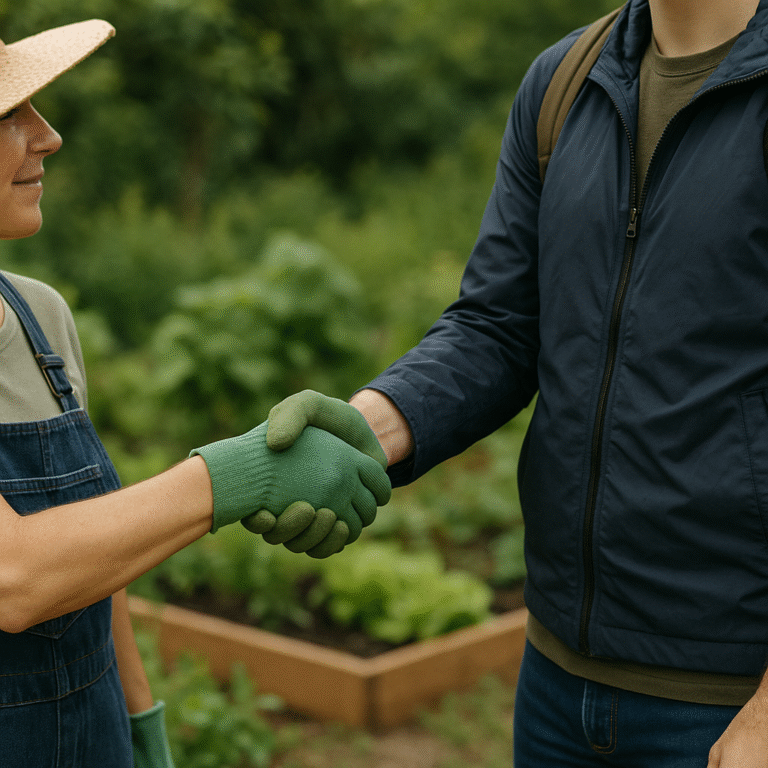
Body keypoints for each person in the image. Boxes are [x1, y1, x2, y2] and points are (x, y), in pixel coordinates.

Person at [266, 0, 768, 765]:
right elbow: (498, 326)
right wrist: (368, 427)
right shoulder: (567, 81)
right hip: (554, 685)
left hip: (728, 700)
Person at [0, 19, 391, 768]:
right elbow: (15, 577)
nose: (48, 137)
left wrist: (142, 723)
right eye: (11, 116)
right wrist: (242, 473)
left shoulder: (40, 319)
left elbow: (90, 554)